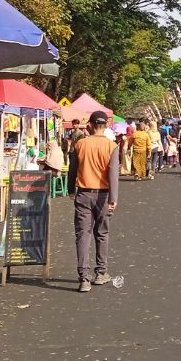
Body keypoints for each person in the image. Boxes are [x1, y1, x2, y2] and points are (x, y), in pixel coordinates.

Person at [69, 110, 120, 293]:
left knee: (83, 234)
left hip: (83, 194)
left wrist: (70, 189)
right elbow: (113, 174)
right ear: (106, 125)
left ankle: (83, 278)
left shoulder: (80, 144)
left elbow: (72, 169)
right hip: (104, 195)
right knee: (102, 233)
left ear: (89, 124)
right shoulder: (111, 146)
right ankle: (101, 272)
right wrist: (114, 198)